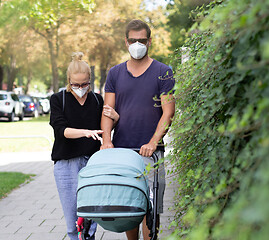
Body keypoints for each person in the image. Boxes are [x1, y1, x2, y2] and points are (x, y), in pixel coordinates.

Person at [101, 19, 175, 240]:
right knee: (128, 208)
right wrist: (107, 139)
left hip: (152, 154)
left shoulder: (164, 72)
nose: (137, 44)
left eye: (141, 40)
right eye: (133, 40)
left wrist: (153, 142)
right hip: (123, 152)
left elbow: (168, 112)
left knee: (151, 212)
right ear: (126, 42)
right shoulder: (114, 73)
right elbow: (107, 111)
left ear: (149, 41)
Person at [49, 52, 119, 240]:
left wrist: (116, 118)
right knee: (73, 224)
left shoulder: (96, 100)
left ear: (90, 80)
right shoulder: (59, 99)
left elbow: (107, 128)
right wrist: (85, 132)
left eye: (84, 84)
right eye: (75, 85)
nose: (80, 88)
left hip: (93, 164)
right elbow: (60, 130)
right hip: (66, 165)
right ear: (69, 81)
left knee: (90, 222)